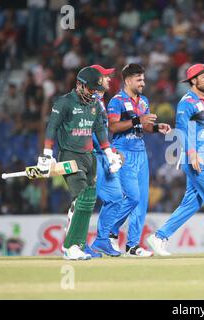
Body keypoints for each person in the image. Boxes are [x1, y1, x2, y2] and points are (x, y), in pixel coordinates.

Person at [147, 63, 204, 256]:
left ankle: (159, 237)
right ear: (193, 80)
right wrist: (192, 154)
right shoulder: (186, 102)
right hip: (196, 159)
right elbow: (181, 130)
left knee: (192, 204)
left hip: (201, 156)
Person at [37, 66, 122, 260]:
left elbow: (100, 129)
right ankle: (70, 247)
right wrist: (47, 154)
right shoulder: (64, 102)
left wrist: (109, 153)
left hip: (89, 157)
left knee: (87, 201)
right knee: (82, 198)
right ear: (79, 85)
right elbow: (52, 127)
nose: (93, 93)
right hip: (70, 156)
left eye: (95, 89)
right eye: (90, 89)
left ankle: (79, 244)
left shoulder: (94, 104)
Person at [106, 63, 171, 257]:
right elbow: (113, 127)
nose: (143, 82)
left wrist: (157, 127)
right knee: (133, 197)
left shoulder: (143, 101)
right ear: (127, 80)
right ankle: (108, 232)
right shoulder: (116, 101)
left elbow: (145, 127)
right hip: (123, 153)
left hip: (141, 152)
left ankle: (132, 246)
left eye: (143, 79)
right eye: (139, 79)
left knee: (141, 201)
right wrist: (137, 121)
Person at [88, 64, 123, 257]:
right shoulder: (89, 102)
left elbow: (100, 132)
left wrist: (111, 150)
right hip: (93, 156)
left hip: (103, 156)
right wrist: (107, 150)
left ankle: (102, 240)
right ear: (96, 80)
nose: (109, 79)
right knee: (86, 200)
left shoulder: (100, 101)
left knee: (116, 197)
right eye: (105, 76)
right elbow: (89, 132)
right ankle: (77, 243)